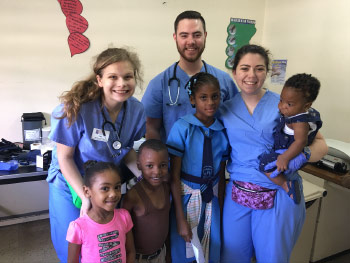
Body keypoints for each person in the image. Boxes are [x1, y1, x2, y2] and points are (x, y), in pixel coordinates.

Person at [219, 44, 328, 263]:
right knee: (231, 256)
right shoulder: (224, 108)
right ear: (234, 72)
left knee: (272, 258)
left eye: (259, 68)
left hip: (277, 192)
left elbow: (320, 144)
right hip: (238, 193)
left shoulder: (287, 104)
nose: (251, 75)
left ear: (267, 72)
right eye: (244, 68)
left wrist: (300, 156)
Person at [47, 47, 145, 262]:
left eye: (128, 77)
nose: (122, 84)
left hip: (105, 186)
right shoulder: (77, 108)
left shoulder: (136, 111)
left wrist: (142, 176)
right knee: (75, 245)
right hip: (71, 183)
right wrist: (84, 197)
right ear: (99, 80)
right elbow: (64, 158)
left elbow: (125, 150)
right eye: (113, 77)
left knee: (105, 247)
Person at [141, 10, 238, 142]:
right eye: (184, 35)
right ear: (175, 37)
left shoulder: (224, 80)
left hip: (213, 159)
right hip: (173, 160)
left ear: (205, 35)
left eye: (197, 35)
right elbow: (151, 127)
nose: (191, 41)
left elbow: (235, 122)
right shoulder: (159, 84)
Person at [166, 72, 229, 263]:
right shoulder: (182, 127)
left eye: (215, 96)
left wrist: (221, 209)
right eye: (203, 97)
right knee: (185, 248)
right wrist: (179, 216)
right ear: (193, 99)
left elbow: (221, 172)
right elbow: (174, 176)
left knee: (211, 247)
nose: (210, 102)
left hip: (212, 200)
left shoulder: (222, 131)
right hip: (186, 200)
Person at [258, 73, 323, 203]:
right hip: (289, 151)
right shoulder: (297, 113)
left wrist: (285, 157)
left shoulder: (299, 122)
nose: (282, 106)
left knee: (264, 164)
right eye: (281, 100)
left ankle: (286, 185)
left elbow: (301, 141)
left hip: (290, 153)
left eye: (289, 104)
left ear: (306, 106)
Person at [66, 161, 135, 263]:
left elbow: (130, 252)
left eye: (117, 187)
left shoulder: (124, 217)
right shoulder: (78, 227)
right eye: (105, 188)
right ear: (87, 192)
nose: (113, 194)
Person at [122, 139, 171, 263]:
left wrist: (168, 253)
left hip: (161, 254)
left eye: (163, 165)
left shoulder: (166, 188)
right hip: (138, 259)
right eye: (150, 166)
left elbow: (166, 223)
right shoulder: (133, 196)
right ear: (139, 165)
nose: (157, 172)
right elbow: (123, 231)